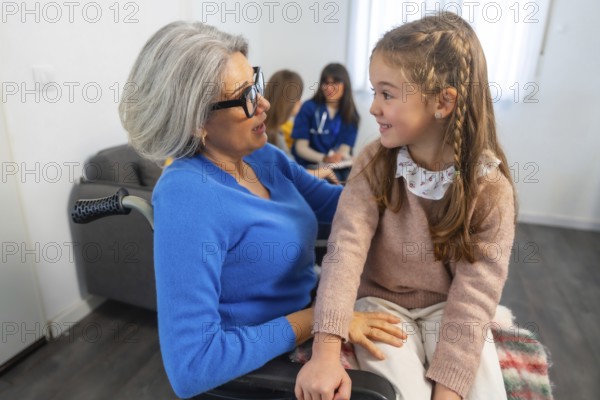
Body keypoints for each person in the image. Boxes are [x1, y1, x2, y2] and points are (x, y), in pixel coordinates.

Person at [118, 21, 405, 399]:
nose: (264, 102)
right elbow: (193, 366)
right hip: (269, 364)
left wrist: (409, 176)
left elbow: (340, 208)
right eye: (245, 96)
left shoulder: (263, 156)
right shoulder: (187, 197)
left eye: (255, 82)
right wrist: (323, 321)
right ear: (196, 122)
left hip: (317, 314)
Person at [296, 12, 516, 400]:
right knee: (400, 393)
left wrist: (449, 388)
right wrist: (326, 350)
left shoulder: (490, 187)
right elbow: (344, 250)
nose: (374, 108)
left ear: (443, 102)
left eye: (387, 94)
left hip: (448, 310)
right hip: (381, 304)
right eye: (374, 92)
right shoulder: (374, 163)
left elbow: (475, 295)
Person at [265, 69, 339, 183]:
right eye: (298, 98)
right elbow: (292, 174)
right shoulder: (272, 136)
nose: (300, 102)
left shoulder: (273, 129)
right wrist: (323, 171)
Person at [291, 63, 360, 181]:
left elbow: (344, 150)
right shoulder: (309, 108)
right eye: (326, 83)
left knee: (355, 177)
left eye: (335, 83)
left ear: (345, 85)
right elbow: (300, 148)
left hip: (337, 166)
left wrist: (342, 157)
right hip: (310, 166)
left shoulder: (351, 116)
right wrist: (324, 158)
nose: (329, 88)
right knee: (331, 181)